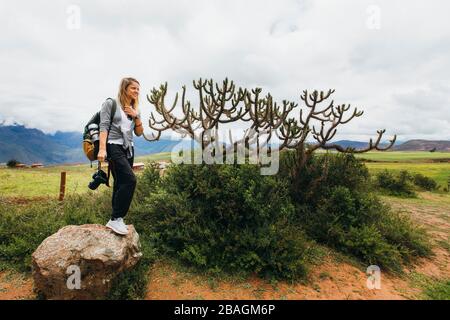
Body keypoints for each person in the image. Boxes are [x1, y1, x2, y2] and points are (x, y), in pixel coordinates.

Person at [98, 77, 144, 235]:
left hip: (128, 148)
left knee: (120, 183)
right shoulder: (111, 104)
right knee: (130, 180)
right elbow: (103, 126)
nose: (137, 91)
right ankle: (116, 218)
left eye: (138, 89)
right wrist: (102, 149)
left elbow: (139, 132)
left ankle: (116, 219)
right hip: (113, 145)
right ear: (124, 88)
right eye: (133, 88)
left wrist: (136, 115)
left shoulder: (134, 108)